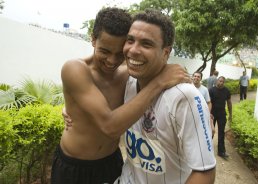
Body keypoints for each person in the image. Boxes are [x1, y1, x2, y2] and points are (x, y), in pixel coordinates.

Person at [51, 7, 189, 184]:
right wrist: (159, 82)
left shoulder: (128, 72)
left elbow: (172, 72)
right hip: (74, 167)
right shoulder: (75, 69)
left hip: (111, 163)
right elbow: (109, 126)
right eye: (105, 51)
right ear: (93, 39)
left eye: (119, 53)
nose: (112, 61)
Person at [116, 9, 216, 184]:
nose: (133, 50)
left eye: (146, 44)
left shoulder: (185, 96)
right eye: (130, 40)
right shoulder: (128, 81)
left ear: (165, 53)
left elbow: (205, 172)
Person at [209, 76, 232, 159]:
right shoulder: (211, 90)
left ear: (224, 82)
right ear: (217, 81)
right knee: (210, 131)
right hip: (212, 114)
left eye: (222, 81)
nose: (221, 83)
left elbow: (229, 103)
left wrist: (230, 114)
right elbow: (208, 102)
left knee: (221, 132)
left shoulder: (227, 91)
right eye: (220, 81)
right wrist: (208, 113)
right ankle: (207, 150)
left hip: (222, 114)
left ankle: (221, 152)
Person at [192, 71, 215, 138]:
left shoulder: (204, 89)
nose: (196, 78)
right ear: (192, 77)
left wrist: (208, 113)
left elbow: (209, 102)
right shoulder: (188, 87)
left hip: (200, 114)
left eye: (198, 77)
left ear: (201, 79)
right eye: (195, 76)